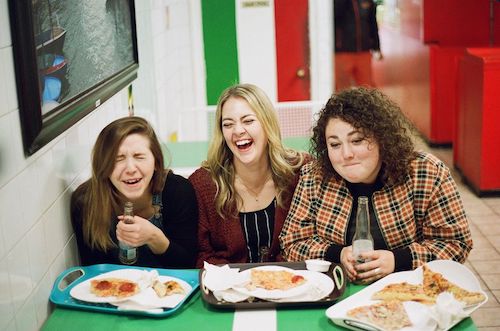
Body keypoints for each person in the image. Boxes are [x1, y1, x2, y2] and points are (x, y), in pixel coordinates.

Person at [279, 87, 472, 284]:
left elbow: (456, 244)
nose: (346, 154)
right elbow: (292, 242)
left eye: (357, 140)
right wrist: (336, 254)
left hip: (409, 292)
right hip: (336, 290)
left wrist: (398, 260)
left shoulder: (426, 172)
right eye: (335, 144)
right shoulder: (314, 177)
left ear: (382, 138)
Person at [189, 83, 309, 268]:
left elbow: (311, 240)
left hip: (290, 286)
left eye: (248, 121)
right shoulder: (204, 184)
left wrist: (271, 278)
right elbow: (201, 255)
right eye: (228, 124)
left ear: (267, 123)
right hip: (229, 291)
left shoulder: (301, 172)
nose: (237, 131)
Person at [71, 116, 198, 268]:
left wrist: (154, 237)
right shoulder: (86, 202)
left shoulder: (177, 191)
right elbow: (94, 272)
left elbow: (187, 265)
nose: (130, 168)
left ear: (156, 162)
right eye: (118, 159)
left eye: (139, 157)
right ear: (103, 166)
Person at [334, 0, 382, 90]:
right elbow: (333, 17)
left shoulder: (368, 2)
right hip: (342, 52)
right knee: (342, 89)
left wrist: (377, 46)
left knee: (367, 88)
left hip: (364, 52)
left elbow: (372, 23)